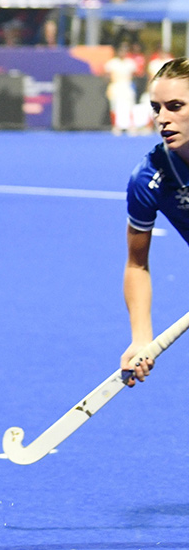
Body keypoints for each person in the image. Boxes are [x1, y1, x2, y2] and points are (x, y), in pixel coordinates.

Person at [122, 58, 189, 388]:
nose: (162, 118)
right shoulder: (149, 178)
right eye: (156, 108)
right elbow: (137, 264)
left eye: (175, 106)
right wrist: (141, 338)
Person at [104, 42, 139, 136]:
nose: (122, 53)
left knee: (130, 106)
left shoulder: (130, 63)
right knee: (114, 106)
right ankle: (116, 126)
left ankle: (131, 126)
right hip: (115, 86)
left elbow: (135, 75)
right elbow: (107, 75)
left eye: (124, 51)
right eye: (121, 51)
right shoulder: (112, 63)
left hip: (127, 86)